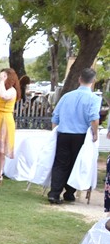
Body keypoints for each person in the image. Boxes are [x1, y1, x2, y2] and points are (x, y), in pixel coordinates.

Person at [47, 68, 101, 204]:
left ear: (79, 78)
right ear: (93, 81)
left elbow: (55, 117)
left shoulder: (67, 96)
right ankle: (69, 192)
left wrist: (55, 132)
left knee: (60, 163)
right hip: (81, 135)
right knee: (76, 163)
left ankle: (54, 192)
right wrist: (95, 133)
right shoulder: (94, 98)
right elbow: (94, 118)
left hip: (64, 133)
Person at [0, 68, 20, 185]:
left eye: (4, 76)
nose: (1, 78)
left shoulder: (11, 91)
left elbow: (4, 96)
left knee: (1, 150)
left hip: (4, 120)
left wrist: (1, 82)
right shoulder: (4, 89)